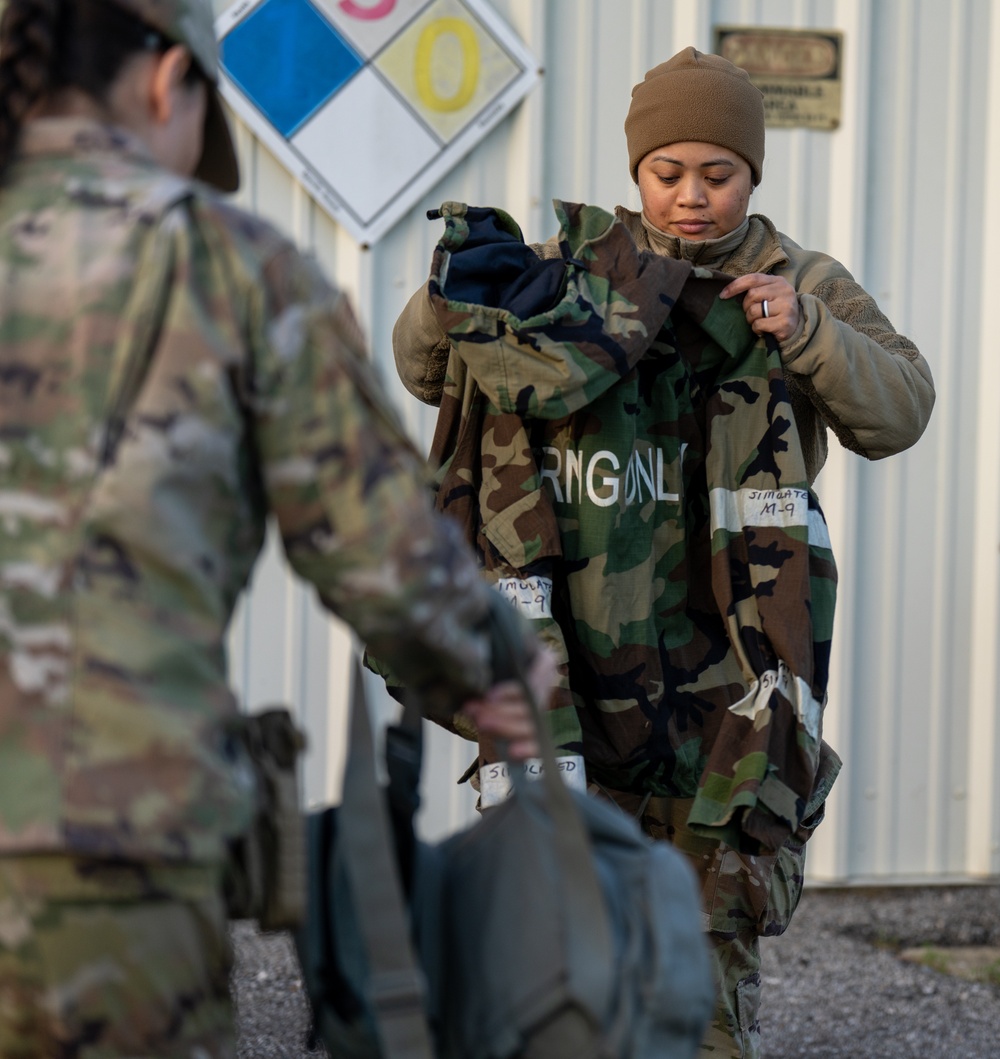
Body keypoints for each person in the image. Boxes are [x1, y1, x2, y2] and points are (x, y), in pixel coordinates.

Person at [0, 0, 552, 1055]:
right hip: (104, 867)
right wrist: (499, 673)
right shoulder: (234, 270)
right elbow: (387, 560)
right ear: (168, 85)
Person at [391, 47, 935, 1059]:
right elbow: (430, 370)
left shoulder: (800, 279)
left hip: (733, 676)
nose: (690, 197)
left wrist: (808, 329)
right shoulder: (578, 277)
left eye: (717, 174)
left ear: (754, 173)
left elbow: (900, 410)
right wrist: (452, 297)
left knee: (702, 942)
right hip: (581, 668)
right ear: (636, 171)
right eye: (666, 172)